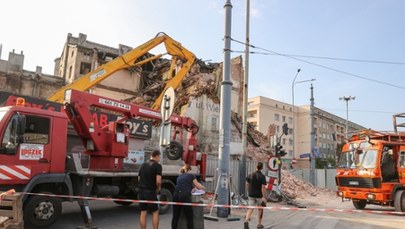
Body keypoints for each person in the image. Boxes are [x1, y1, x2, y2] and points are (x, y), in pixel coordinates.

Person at [171, 164, 205, 229]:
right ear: (189, 170)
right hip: (184, 196)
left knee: (175, 217)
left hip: (175, 195)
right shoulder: (191, 175)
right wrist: (203, 187)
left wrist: (192, 189)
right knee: (189, 217)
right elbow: (198, 185)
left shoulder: (179, 177)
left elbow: (184, 186)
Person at [138, 150, 162, 229]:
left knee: (143, 212)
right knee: (155, 212)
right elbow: (158, 181)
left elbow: (138, 178)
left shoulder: (143, 164)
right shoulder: (158, 166)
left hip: (141, 191)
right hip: (150, 191)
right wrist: (158, 189)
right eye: (159, 156)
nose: (160, 158)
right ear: (156, 156)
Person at [244, 162, 267, 229]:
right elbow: (263, 187)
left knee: (250, 208)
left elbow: (247, 184)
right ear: (262, 168)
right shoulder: (262, 176)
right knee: (260, 209)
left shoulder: (250, 174)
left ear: (256, 167)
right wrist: (264, 197)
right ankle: (259, 224)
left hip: (251, 194)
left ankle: (246, 221)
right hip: (259, 196)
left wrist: (249, 191)